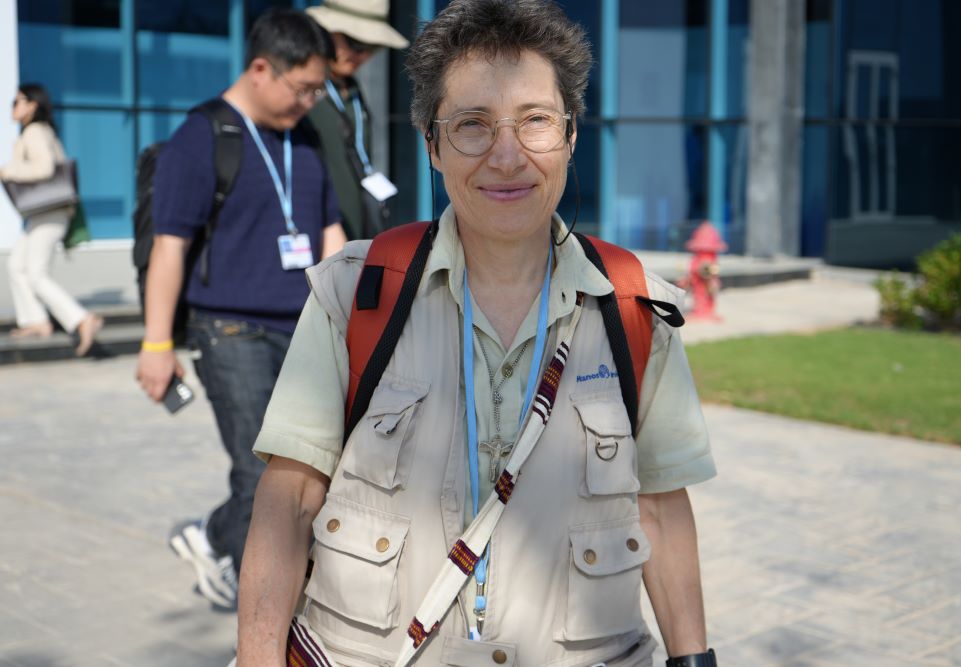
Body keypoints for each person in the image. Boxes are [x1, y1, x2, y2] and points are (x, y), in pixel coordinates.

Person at [238, 1, 718, 665]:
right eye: (472, 125)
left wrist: (694, 658)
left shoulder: (633, 307)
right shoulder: (356, 294)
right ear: (431, 145)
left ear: (571, 135)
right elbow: (286, 500)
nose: (506, 156)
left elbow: (663, 513)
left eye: (536, 122)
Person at [135, 8, 347, 611]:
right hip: (228, 329)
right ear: (260, 68)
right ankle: (230, 556)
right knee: (262, 470)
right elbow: (170, 249)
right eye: (302, 87)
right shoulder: (201, 136)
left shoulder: (302, 137)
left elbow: (328, 227)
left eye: (318, 89)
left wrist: (341, 318)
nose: (310, 101)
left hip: (302, 328)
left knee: (311, 464)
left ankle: (210, 531)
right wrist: (156, 346)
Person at [2, 84, 103, 356]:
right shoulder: (36, 132)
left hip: (50, 213)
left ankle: (81, 319)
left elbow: (44, 167)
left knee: (35, 272)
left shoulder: (35, 132)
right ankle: (36, 321)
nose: (13, 107)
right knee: (16, 265)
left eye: (17, 101)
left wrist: (7, 171)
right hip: (43, 214)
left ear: (32, 105)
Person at [306, 0, 409, 240]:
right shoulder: (304, 93)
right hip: (316, 236)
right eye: (354, 43)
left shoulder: (352, 89)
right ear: (325, 32)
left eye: (372, 47)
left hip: (357, 232)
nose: (361, 54)